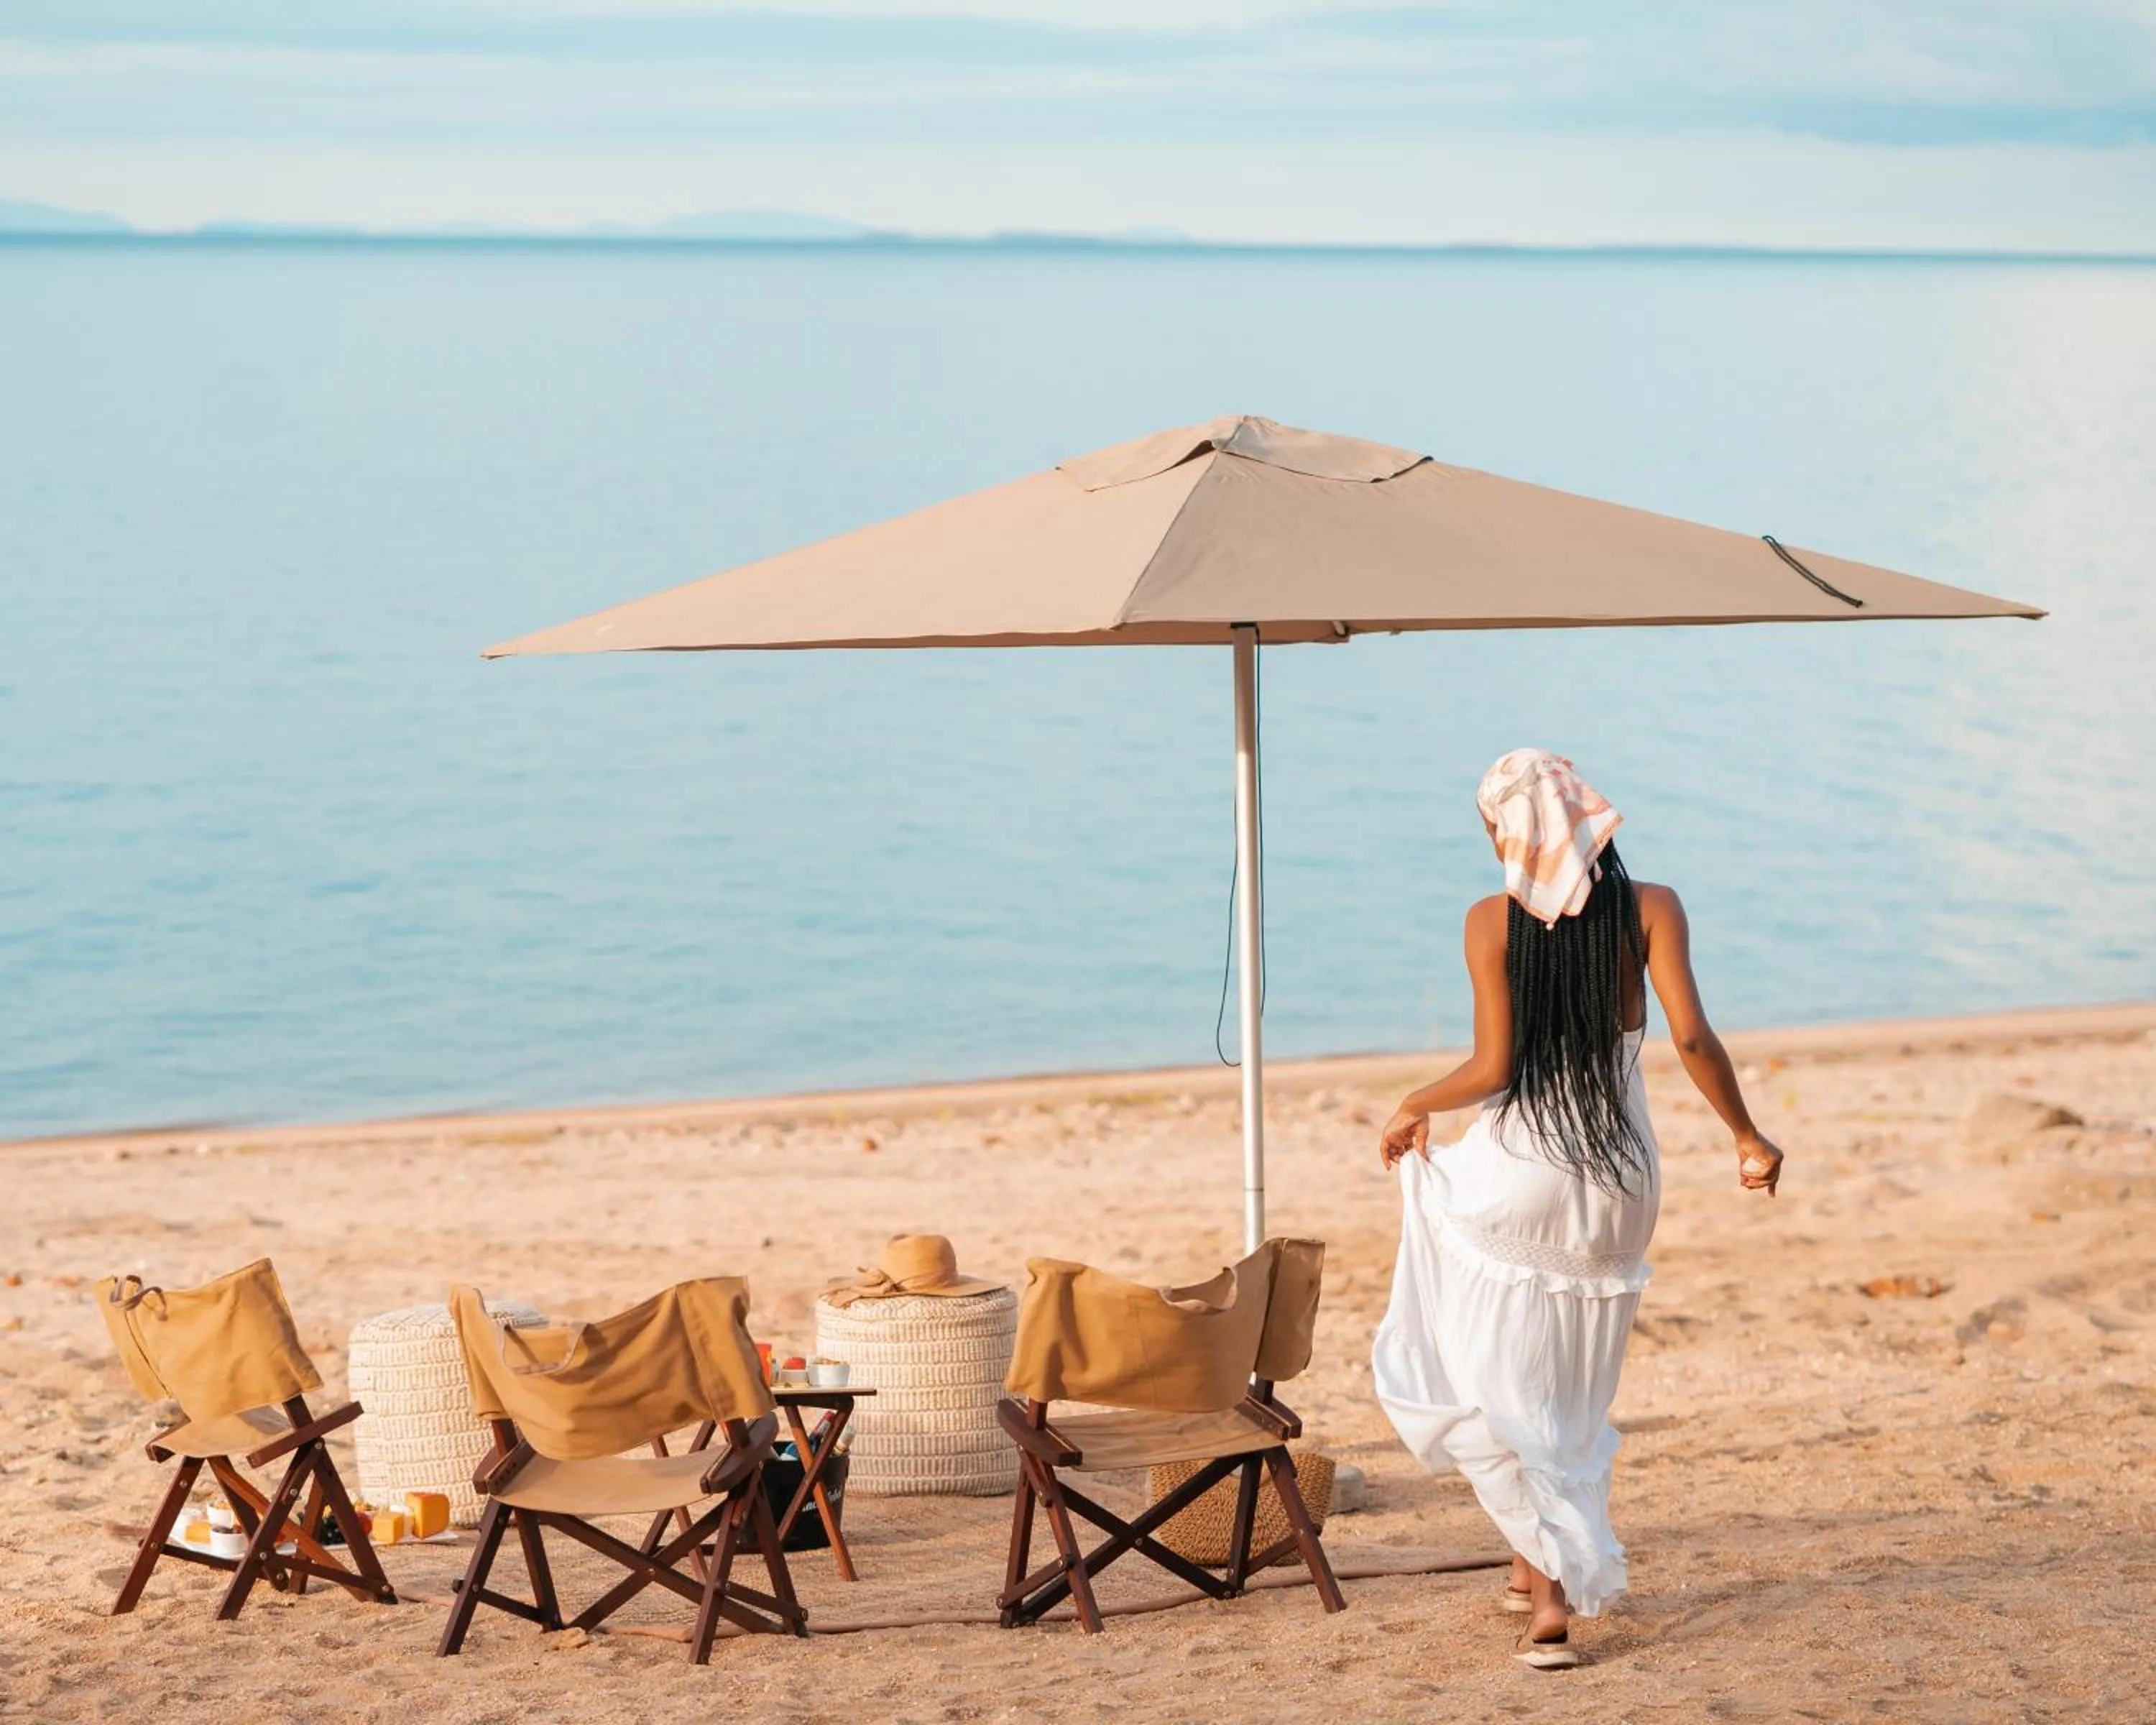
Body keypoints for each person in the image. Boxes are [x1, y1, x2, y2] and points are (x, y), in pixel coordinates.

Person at [1370, 748, 1783, 1670]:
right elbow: (1692, 1037)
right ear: (1588, 815)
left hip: (1525, 1169)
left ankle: (1550, 1596)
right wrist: (1748, 1139)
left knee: (1499, 1376)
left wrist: (1411, 1105)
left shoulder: (1488, 922)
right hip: (1620, 1176)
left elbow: (1492, 1072)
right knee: (1570, 1386)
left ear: (1502, 830)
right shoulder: (1651, 907)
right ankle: (1530, 1562)